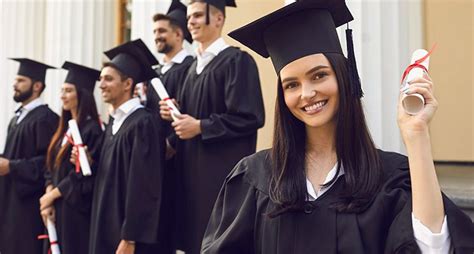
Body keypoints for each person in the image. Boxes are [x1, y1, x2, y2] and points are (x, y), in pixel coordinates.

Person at [202, 0, 474, 253]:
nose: (306, 93)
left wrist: (416, 136)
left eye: (319, 75)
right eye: (292, 85)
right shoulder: (255, 176)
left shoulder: (390, 177)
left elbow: (432, 248)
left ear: (344, 77)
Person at [160, 0, 265, 252]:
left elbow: (250, 117)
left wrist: (201, 127)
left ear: (218, 19)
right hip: (190, 176)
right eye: (188, 18)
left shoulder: (236, 61)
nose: (191, 22)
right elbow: (189, 119)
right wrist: (174, 114)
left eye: (197, 15)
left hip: (219, 176)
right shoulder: (191, 69)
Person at [88, 39, 165, 254]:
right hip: (105, 223)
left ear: (127, 84)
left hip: (127, 234)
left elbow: (144, 185)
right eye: (101, 79)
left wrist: (131, 237)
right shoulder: (114, 123)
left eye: (108, 79)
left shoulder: (142, 123)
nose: (101, 84)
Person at [39, 61, 103, 254]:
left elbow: (86, 174)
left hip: (76, 211)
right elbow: (51, 167)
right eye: (62, 90)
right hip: (57, 207)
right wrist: (49, 195)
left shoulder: (93, 130)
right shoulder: (64, 128)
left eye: (68, 90)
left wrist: (52, 195)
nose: (62, 96)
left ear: (81, 94)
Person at [0, 58, 59, 254]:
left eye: (21, 80)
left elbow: (49, 163)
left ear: (37, 86)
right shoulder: (16, 118)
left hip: (28, 208)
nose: (14, 85)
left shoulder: (45, 119)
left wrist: (12, 167)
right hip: (9, 203)